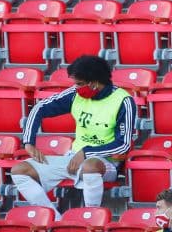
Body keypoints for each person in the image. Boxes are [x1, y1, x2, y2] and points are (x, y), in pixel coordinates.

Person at [10, 55, 136, 217]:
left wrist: (85, 152)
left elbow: (123, 145)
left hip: (107, 162)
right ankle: (55, 219)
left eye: (79, 84)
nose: (76, 88)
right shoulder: (75, 94)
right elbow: (39, 108)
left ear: (94, 82)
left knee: (89, 165)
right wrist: (28, 142)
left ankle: (90, 219)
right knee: (19, 169)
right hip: (73, 158)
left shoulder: (123, 100)